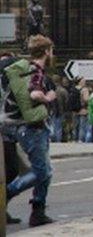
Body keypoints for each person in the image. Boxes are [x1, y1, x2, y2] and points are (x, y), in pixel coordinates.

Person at [5, 35, 57, 226]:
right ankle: (6, 194)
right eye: (51, 50)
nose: (53, 54)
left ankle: (38, 210)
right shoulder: (36, 71)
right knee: (41, 172)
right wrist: (49, 97)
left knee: (46, 172)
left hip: (30, 128)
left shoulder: (26, 69)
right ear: (46, 51)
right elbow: (35, 93)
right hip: (32, 129)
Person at [1, 51, 23, 225]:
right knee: (12, 169)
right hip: (5, 131)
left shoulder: (10, 85)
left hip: (9, 131)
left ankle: (3, 208)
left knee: (12, 170)